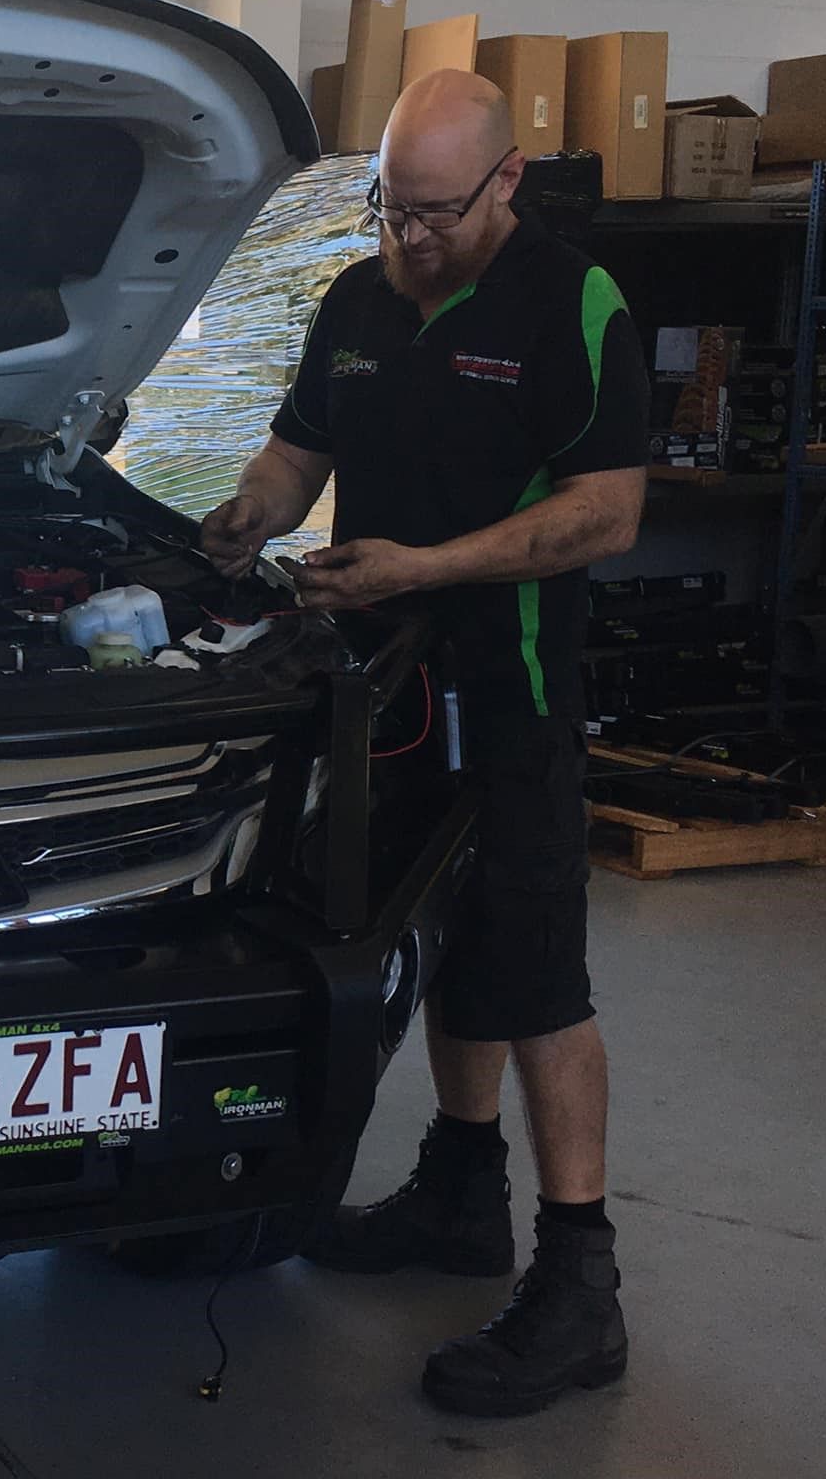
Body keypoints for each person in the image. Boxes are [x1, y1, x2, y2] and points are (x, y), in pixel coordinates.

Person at [199, 69, 649, 1419]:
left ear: (506, 182)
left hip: (506, 692)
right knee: (434, 943)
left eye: (438, 213)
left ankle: (583, 1279)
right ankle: (462, 1191)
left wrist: (428, 568)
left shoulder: (573, 302)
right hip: (380, 697)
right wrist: (248, 513)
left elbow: (607, 513)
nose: (413, 239)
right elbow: (296, 450)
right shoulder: (355, 301)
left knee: (537, 970)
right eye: (393, 210)